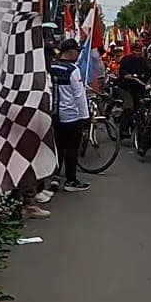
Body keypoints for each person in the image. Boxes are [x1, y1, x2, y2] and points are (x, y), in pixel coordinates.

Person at [50, 39, 92, 192]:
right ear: (71, 52)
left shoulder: (52, 66)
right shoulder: (72, 70)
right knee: (72, 148)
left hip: (54, 114)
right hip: (70, 116)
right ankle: (71, 180)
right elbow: (79, 96)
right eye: (77, 51)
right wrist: (85, 117)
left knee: (58, 147)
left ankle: (54, 176)